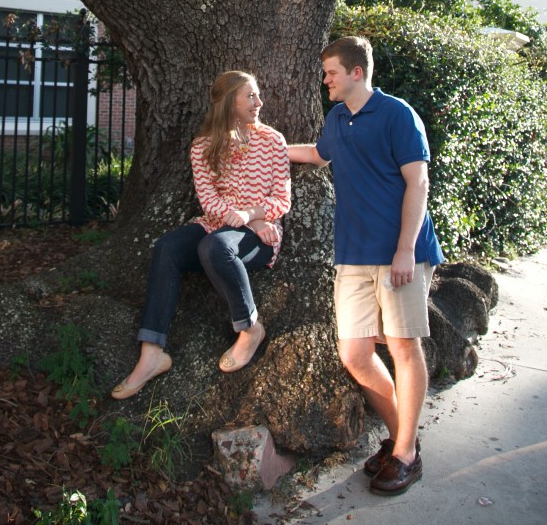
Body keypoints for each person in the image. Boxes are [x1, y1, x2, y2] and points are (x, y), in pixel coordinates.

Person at [288, 36, 443, 496]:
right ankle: (402, 437)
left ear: (357, 72)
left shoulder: (398, 115)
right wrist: (271, 146)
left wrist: (403, 250)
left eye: (332, 72)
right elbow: (320, 154)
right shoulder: (337, 117)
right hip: (352, 255)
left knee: (402, 348)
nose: (326, 79)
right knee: (355, 355)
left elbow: (419, 184)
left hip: (400, 255)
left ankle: (406, 455)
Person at [111, 70, 291, 399]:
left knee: (215, 247)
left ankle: (251, 329)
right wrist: (243, 219)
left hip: (261, 237)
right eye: (250, 96)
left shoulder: (273, 141)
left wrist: (251, 217)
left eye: (257, 95)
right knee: (167, 248)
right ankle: (152, 354)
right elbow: (208, 200)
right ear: (229, 102)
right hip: (218, 224)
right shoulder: (203, 146)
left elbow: (282, 200)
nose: (259, 102)